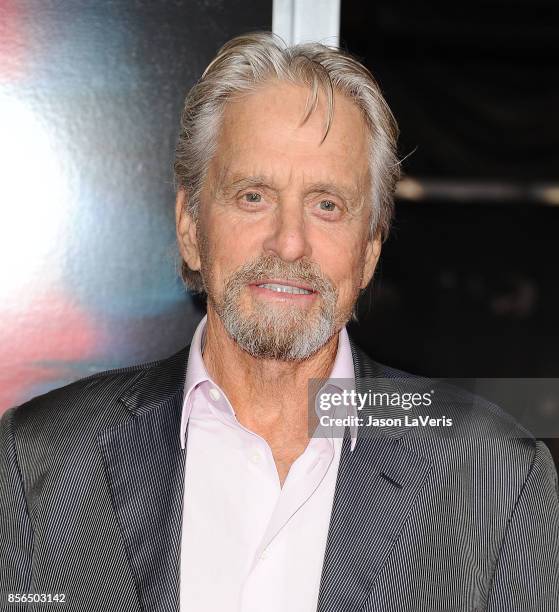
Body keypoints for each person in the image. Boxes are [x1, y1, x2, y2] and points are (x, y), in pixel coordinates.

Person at [1, 31, 558, 612]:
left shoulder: (496, 472)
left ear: (369, 250)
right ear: (191, 227)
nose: (289, 243)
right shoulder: (42, 456)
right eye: (252, 196)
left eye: (327, 205)